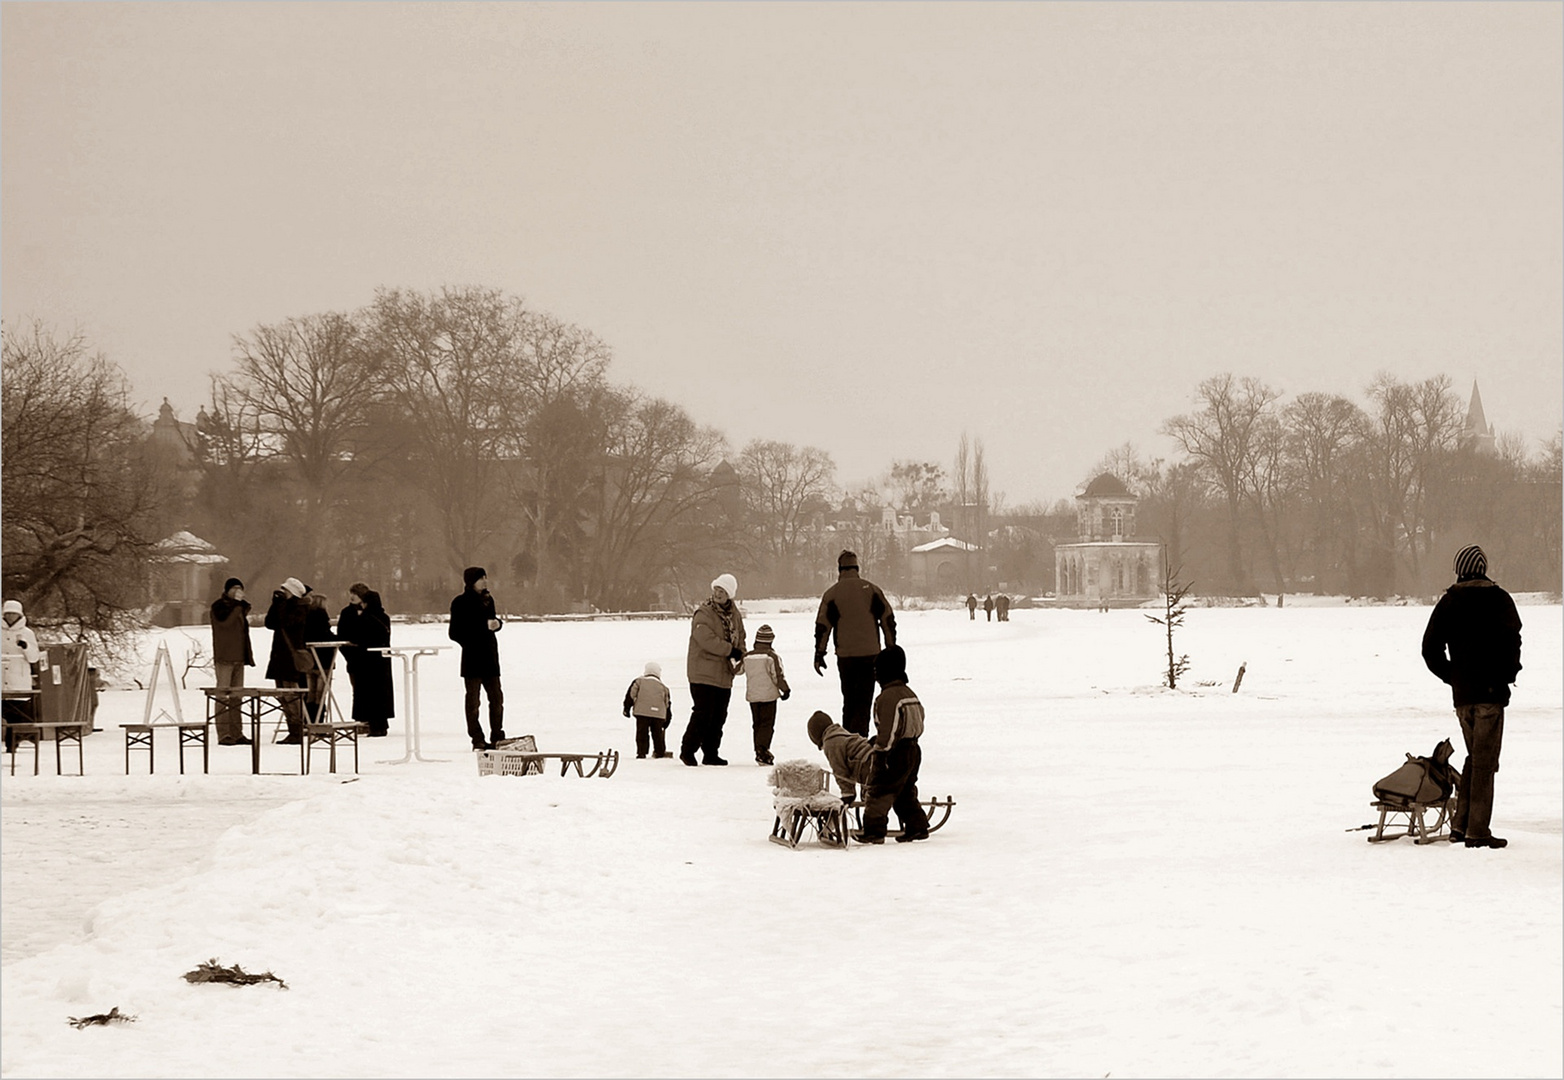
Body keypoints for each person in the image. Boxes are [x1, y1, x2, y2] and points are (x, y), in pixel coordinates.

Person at [1421, 544, 1523, 849]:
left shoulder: (1449, 602)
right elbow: (1513, 641)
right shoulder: (1500, 599)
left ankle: (1461, 826)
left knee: (1475, 759)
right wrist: (1508, 674)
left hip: (1463, 696)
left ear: (1459, 570)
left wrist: (1453, 678)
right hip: (1490, 695)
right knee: (1484, 763)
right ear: (1483, 569)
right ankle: (1477, 831)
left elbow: (1429, 649)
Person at [813, 550, 896, 740]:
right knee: (864, 700)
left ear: (839, 570)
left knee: (849, 699)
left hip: (846, 656)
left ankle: (849, 740)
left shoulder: (832, 594)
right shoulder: (872, 590)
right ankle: (861, 739)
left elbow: (822, 627)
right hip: (870, 654)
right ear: (857, 568)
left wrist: (819, 653)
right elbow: (887, 619)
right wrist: (891, 647)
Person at [861, 644, 931, 843]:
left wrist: (881, 752)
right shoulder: (910, 693)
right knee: (904, 791)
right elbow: (920, 719)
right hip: (914, 749)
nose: (875, 676)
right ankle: (917, 825)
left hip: (894, 752)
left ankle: (873, 831)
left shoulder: (888, 698)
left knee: (879, 791)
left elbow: (889, 729)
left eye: (877, 671)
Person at [680, 573, 746, 767]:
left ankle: (711, 753)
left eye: (722, 591)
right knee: (703, 713)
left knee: (719, 716)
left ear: (729, 594)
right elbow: (705, 639)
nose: (718, 593)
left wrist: (741, 653)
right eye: (716, 589)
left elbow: (741, 636)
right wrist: (729, 650)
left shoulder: (735, 615)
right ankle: (688, 750)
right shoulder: (704, 613)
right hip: (702, 672)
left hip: (724, 674)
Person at [449, 566, 506, 751]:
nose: (485, 581)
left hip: (490, 657)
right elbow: (455, 632)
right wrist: (483, 627)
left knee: (496, 699)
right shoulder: (460, 602)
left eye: (485, 578)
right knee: (473, 702)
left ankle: (497, 735)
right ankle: (477, 738)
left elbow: (492, 622)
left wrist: (498, 625)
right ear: (471, 581)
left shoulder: (488, 600)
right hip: (472, 658)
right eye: (481, 579)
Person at [337, 584, 394, 737]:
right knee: (365, 690)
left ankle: (370, 721)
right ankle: (370, 721)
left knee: (367, 690)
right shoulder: (349, 613)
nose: (352, 597)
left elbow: (356, 636)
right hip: (366, 658)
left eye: (355, 594)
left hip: (367, 658)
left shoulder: (368, 617)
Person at [263, 577, 310, 744]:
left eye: (286, 591)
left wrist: (281, 605)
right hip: (279, 656)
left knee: (291, 694)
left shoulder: (300, 608)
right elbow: (270, 623)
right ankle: (292, 728)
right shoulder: (284, 606)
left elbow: (287, 623)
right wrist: (275, 604)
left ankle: (296, 729)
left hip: (290, 657)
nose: (283, 593)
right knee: (283, 694)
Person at [209, 578, 254, 746]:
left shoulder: (240, 608)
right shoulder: (219, 607)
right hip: (224, 657)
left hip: (239, 657)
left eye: (239, 588)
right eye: (234, 588)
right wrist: (237, 607)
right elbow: (225, 624)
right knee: (222, 696)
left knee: (237, 697)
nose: (237, 591)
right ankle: (223, 733)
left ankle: (237, 732)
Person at [742, 624, 790, 766]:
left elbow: (736, 670)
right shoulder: (771, 656)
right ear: (770, 641)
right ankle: (763, 750)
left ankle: (758, 748)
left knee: (756, 724)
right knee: (767, 724)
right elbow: (778, 676)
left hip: (753, 696)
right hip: (769, 696)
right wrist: (785, 690)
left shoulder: (747, 656)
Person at [2, 599, 42, 749]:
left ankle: (12, 746)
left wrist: (25, 646)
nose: (11, 617)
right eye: (8, 613)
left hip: (18, 681)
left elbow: (34, 657)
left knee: (17, 716)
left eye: (14, 614)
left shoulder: (27, 633)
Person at [623, 661, 673, 759]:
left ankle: (642, 752)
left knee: (642, 732)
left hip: (642, 713)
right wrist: (667, 720)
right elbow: (667, 704)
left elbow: (631, 695)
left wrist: (626, 709)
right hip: (658, 714)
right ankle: (659, 752)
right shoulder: (663, 687)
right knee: (657, 733)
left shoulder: (639, 681)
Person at [301, 589, 337, 724]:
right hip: (324, 659)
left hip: (310, 660)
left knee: (310, 692)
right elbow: (325, 635)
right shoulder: (321, 616)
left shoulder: (306, 617)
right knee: (320, 694)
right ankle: (319, 720)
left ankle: (308, 719)